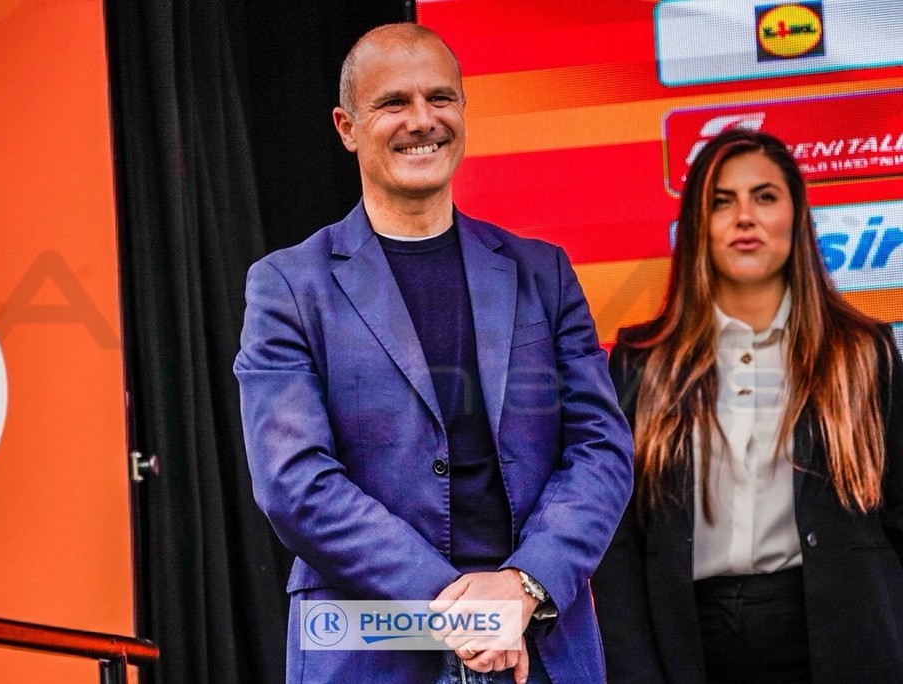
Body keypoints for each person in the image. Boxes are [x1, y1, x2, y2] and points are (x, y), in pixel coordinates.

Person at [234, 22, 633, 684]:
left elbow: (601, 449)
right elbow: (293, 480)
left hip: (537, 642)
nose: (422, 120)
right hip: (371, 650)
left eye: (440, 98)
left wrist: (524, 586)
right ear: (346, 126)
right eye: (394, 102)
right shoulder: (288, 285)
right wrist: (461, 608)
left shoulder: (544, 273)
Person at [592, 128, 903, 683]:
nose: (744, 217)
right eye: (721, 201)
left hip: (845, 637)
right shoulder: (642, 363)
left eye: (764, 196)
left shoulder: (863, 353)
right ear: (698, 225)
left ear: (795, 216)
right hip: (691, 642)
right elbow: (619, 547)